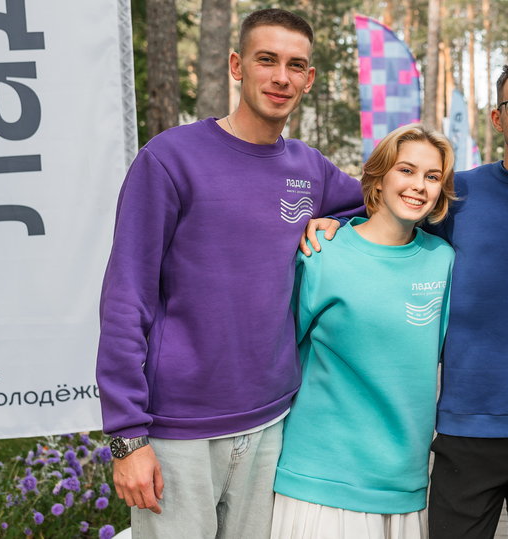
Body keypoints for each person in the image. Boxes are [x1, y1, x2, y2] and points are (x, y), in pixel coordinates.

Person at [303, 55, 508, 539]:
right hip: (468, 422)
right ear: (497, 117)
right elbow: (393, 212)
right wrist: (337, 221)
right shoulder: (457, 193)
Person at [95, 9, 363, 539]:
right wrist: (127, 437)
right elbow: (126, 297)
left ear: (309, 78)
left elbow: (384, 207)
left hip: (272, 423)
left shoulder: (309, 169)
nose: (281, 77)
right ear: (237, 66)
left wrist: (340, 221)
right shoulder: (170, 159)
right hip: (179, 430)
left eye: (295, 65)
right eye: (267, 60)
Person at [270, 123, 456, 539]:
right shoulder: (321, 252)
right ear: (379, 178)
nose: (419, 185)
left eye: (432, 176)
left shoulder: (442, 260)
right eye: (406, 170)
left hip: (403, 483)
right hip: (321, 480)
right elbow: (277, 356)